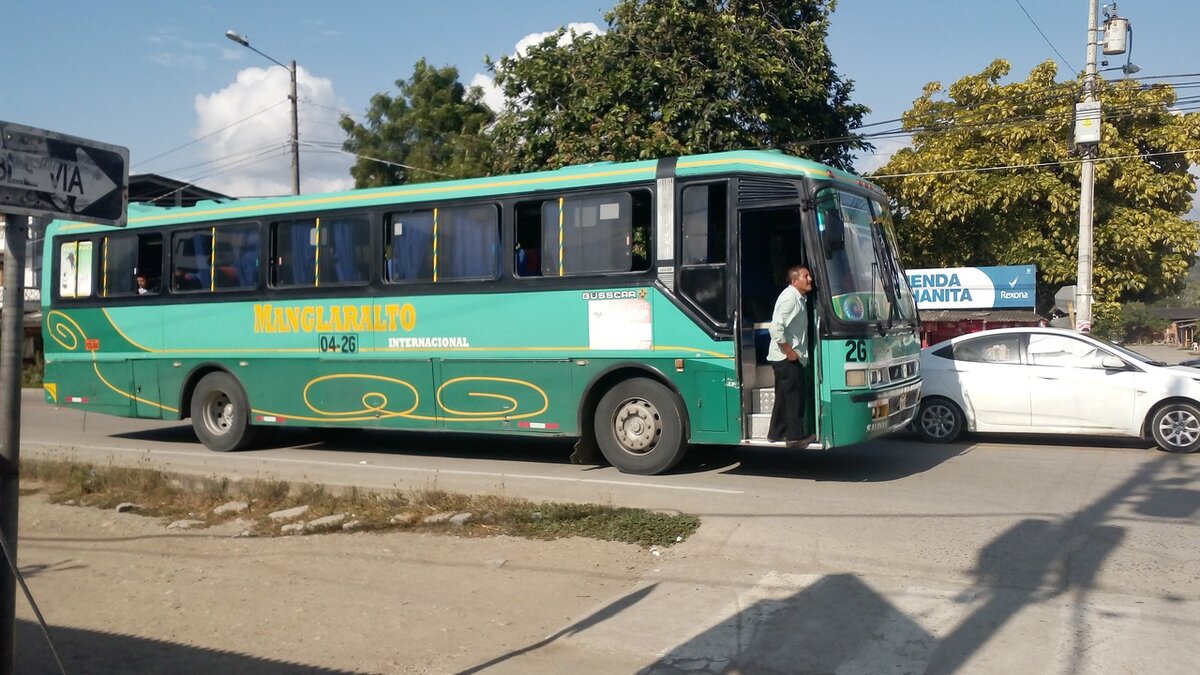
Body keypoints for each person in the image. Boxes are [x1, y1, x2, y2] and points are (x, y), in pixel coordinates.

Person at [767, 265, 815, 447]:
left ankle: (775, 433)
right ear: (795, 281)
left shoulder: (797, 298)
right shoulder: (790, 299)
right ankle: (795, 437)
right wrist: (789, 351)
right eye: (806, 276)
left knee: (782, 397)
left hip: (781, 357)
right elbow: (776, 328)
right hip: (786, 358)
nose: (810, 279)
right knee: (794, 397)